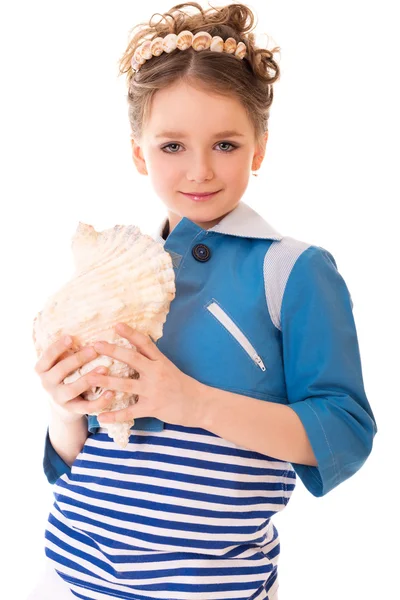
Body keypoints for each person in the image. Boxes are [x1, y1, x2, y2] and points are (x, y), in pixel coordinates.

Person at [29, 2, 378, 599]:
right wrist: (64, 410)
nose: (199, 170)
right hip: (75, 571)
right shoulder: (112, 274)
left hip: (210, 586)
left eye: (225, 144)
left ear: (259, 149)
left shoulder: (291, 271)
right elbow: (76, 455)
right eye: (171, 147)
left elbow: (344, 432)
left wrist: (192, 402)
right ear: (139, 152)